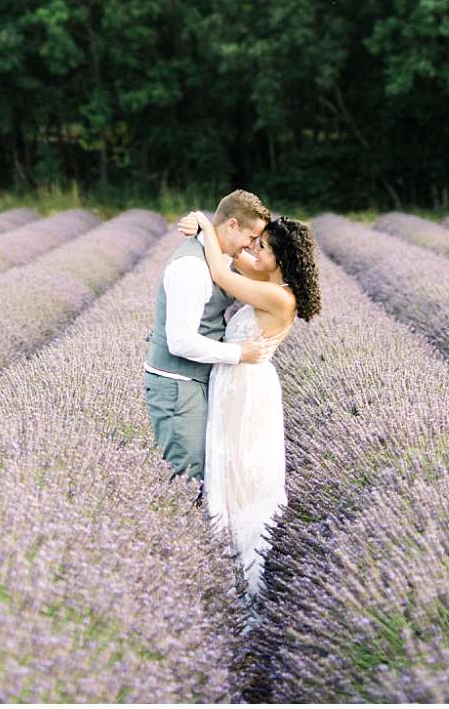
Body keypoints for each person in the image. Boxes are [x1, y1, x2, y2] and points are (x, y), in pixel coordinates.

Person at [174, 200, 322, 601]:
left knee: (243, 476)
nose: (256, 250)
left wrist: (205, 222)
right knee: (227, 470)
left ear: (281, 257)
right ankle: (226, 573)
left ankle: (249, 586)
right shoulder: (269, 283)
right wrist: (222, 234)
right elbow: (234, 256)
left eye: (264, 247)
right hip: (235, 381)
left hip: (247, 390)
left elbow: (222, 270)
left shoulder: (281, 298)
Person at [143, 189, 279, 491]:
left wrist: (203, 223)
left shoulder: (220, 254)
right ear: (232, 225)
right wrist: (239, 353)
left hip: (195, 383)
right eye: (251, 238)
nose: (252, 247)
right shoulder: (190, 268)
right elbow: (180, 342)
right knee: (187, 480)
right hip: (178, 386)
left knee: (206, 475)